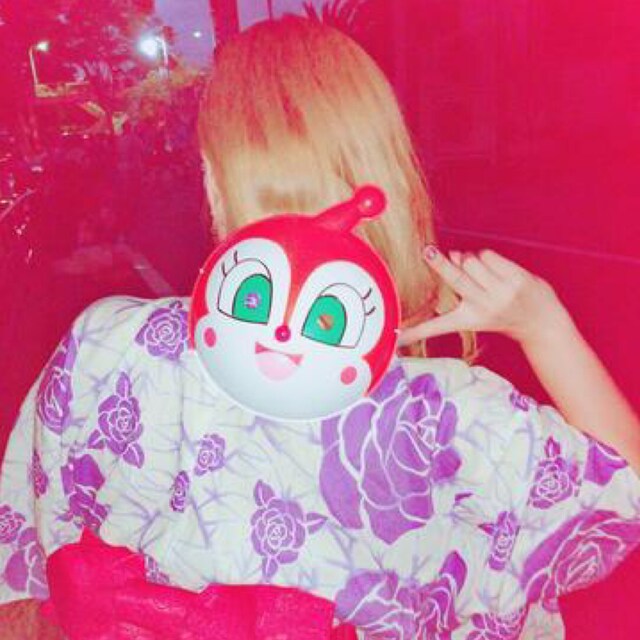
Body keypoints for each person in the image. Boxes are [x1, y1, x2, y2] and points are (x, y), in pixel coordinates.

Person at [1, 15, 639, 639]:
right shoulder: (450, 415)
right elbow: (627, 491)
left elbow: (27, 549)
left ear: (214, 180)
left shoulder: (108, 347)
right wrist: (544, 324)